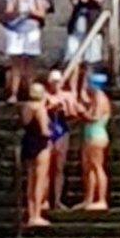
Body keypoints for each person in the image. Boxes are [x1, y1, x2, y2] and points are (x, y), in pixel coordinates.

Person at [4, 0, 49, 103]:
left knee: (30, 64)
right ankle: (14, 93)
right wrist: (16, 11)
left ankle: (31, 93)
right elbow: (7, 13)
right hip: (16, 31)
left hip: (31, 31)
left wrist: (31, 11)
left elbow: (42, 14)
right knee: (16, 64)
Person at [75, 72, 112, 211]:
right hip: (90, 135)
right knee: (89, 168)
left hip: (97, 135)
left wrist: (82, 112)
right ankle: (89, 198)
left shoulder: (100, 97)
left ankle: (101, 199)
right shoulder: (95, 97)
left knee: (97, 167)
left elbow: (95, 117)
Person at [64, 0, 105, 100]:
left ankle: (84, 90)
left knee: (89, 63)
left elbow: (102, 1)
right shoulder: (79, 0)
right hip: (76, 34)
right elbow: (73, 0)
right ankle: (73, 89)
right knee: (74, 61)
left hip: (91, 33)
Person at [20, 83, 51, 227]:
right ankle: (37, 214)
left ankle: (31, 212)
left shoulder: (26, 107)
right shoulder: (40, 109)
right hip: (40, 143)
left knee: (30, 180)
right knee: (39, 180)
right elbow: (44, 130)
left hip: (28, 140)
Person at [44, 70, 76, 210]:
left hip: (61, 130)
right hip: (48, 130)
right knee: (45, 168)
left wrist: (66, 107)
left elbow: (74, 115)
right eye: (53, 82)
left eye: (58, 82)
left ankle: (57, 200)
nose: (55, 85)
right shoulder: (44, 95)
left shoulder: (67, 96)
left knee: (59, 167)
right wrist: (50, 106)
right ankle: (44, 199)